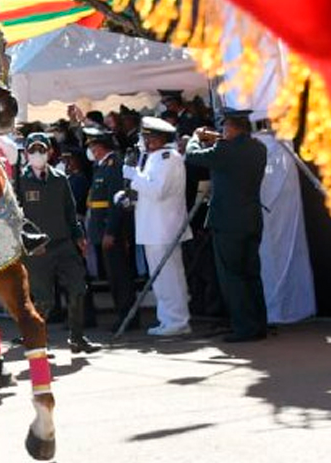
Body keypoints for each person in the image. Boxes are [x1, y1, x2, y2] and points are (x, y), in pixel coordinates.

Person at [185, 108, 269, 342]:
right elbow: (231, 149)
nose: (222, 131)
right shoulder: (258, 148)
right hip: (252, 220)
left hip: (229, 222)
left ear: (231, 127)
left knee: (233, 277)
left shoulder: (224, 150)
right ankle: (258, 324)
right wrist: (217, 138)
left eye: (224, 127)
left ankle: (244, 328)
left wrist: (195, 137)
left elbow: (193, 156)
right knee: (252, 275)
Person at [18, 134, 100, 353]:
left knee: (77, 288)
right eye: (32, 149)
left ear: (50, 152)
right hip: (37, 249)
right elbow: (13, 217)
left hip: (63, 244)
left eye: (41, 149)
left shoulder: (59, 178)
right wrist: (27, 242)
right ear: (26, 153)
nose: (37, 154)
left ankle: (77, 338)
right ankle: (37, 341)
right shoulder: (19, 180)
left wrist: (79, 236)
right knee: (44, 300)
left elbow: (70, 211)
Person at [125, 117, 193, 336]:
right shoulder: (155, 158)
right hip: (153, 227)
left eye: (146, 137)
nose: (143, 142)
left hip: (163, 228)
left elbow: (158, 191)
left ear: (156, 139)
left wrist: (133, 175)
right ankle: (168, 319)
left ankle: (178, 321)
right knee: (161, 278)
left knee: (169, 277)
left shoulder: (167, 158)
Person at [84, 129, 137, 330]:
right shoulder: (102, 166)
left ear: (99, 147)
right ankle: (122, 313)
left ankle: (127, 316)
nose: (91, 150)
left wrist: (111, 232)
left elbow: (116, 202)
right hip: (101, 228)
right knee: (113, 275)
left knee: (120, 275)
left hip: (111, 230)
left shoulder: (114, 165)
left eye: (92, 146)